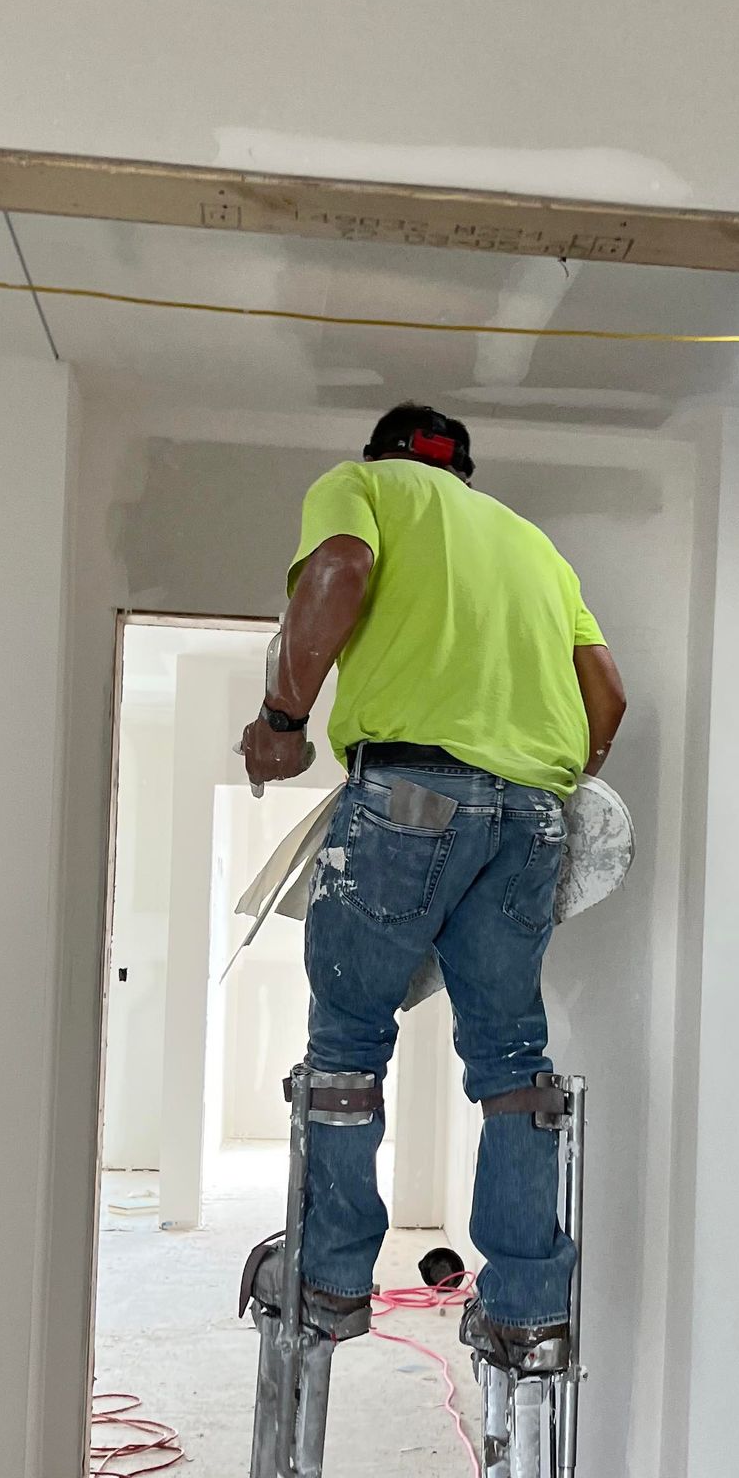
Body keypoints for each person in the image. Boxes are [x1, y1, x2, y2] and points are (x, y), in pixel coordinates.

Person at [239, 401, 628, 1365]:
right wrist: (538, 777)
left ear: (388, 457)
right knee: (511, 1059)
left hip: (408, 792)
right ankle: (524, 1306)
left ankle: (329, 1279)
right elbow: (608, 695)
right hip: (534, 814)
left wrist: (282, 722)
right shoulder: (535, 546)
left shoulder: (362, 485)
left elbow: (338, 570)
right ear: (466, 474)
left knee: (349, 1043)